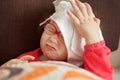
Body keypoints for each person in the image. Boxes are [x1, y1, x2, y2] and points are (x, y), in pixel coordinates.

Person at [1, 0, 113, 80]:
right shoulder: (26, 60)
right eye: (50, 29)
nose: (52, 38)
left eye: (64, 37)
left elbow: (103, 77)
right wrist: (5, 69)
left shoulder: (85, 67)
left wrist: (93, 37)